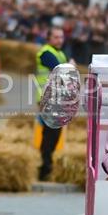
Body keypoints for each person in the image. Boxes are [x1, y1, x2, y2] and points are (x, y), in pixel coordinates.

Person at [36, 26, 69, 181]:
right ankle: (44, 168)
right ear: (48, 38)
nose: (59, 40)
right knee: (50, 134)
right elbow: (60, 70)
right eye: (56, 37)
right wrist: (71, 66)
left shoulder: (60, 53)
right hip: (47, 99)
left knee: (54, 133)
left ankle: (46, 166)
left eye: (61, 37)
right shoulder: (46, 52)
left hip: (57, 99)